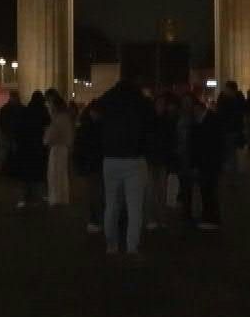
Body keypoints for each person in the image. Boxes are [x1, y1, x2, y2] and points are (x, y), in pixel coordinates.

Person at [97, 76, 153, 255]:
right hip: (134, 159)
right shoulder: (141, 102)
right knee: (134, 207)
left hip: (110, 158)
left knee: (111, 205)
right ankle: (132, 246)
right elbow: (149, 128)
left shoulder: (107, 99)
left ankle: (111, 245)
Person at [181, 94, 227, 230]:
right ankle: (208, 217)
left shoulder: (210, 121)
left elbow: (214, 144)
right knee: (206, 190)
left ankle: (211, 218)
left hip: (210, 162)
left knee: (210, 190)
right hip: (204, 162)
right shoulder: (200, 121)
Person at [10, 91, 50, 208]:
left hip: (25, 148)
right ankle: (39, 197)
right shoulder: (43, 112)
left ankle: (24, 198)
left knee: (25, 174)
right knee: (38, 174)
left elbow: (17, 129)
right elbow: (47, 127)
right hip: (38, 148)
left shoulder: (25, 111)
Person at [145, 93, 178, 229]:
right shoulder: (155, 120)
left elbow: (171, 141)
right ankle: (153, 217)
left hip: (161, 158)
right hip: (152, 159)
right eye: (158, 104)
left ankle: (160, 216)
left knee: (161, 189)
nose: (160, 107)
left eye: (162, 105)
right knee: (152, 189)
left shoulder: (166, 121)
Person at [75, 101, 106, 232]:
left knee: (95, 194)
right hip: (98, 164)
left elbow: (79, 148)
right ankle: (99, 219)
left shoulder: (85, 127)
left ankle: (96, 219)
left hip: (92, 165)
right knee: (98, 194)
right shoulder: (104, 127)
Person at [44, 89, 74, 205]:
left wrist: (46, 137)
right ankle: (61, 196)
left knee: (55, 173)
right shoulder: (65, 117)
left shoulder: (58, 118)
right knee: (61, 174)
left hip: (57, 147)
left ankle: (57, 197)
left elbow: (51, 134)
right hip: (63, 147)